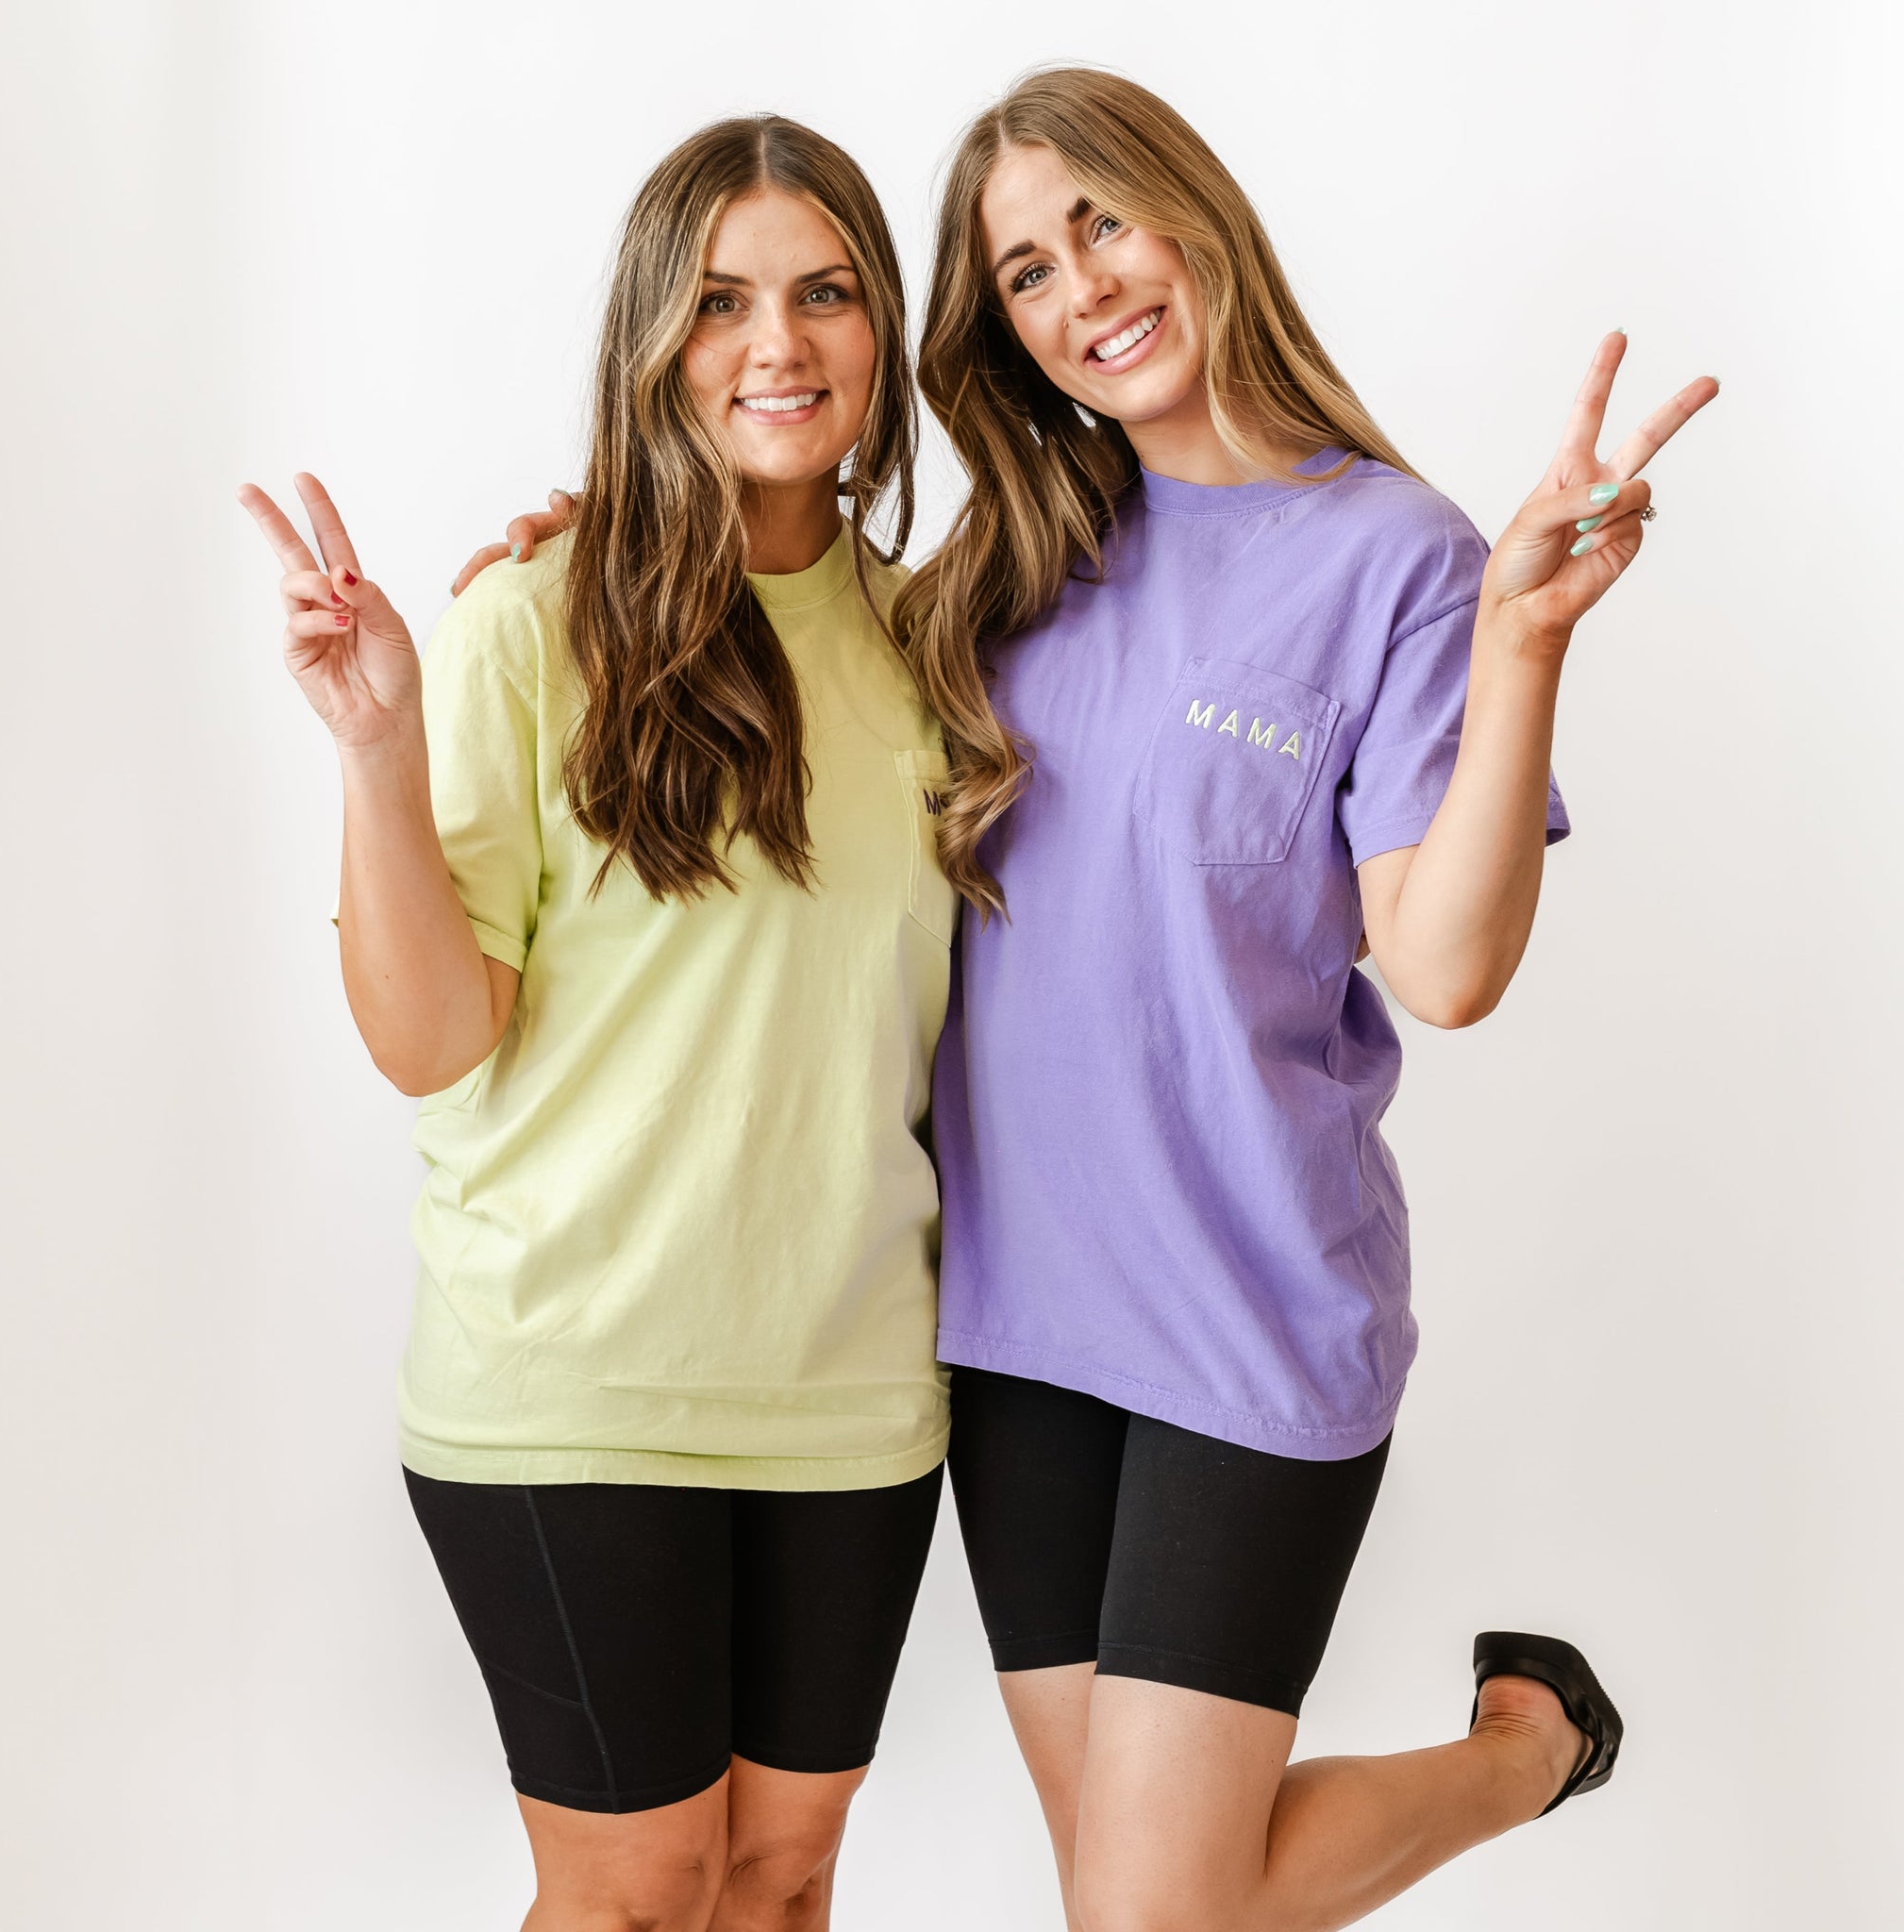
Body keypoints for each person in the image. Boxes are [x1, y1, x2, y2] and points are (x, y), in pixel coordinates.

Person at [474, 67, 1717, 1930]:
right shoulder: (994, 573)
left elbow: (1448, 965)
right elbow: (784, 619)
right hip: (1012, 1339)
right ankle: (1530, 1738)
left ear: (1196, 218)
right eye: (1027, 272)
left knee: (1153, 1915)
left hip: (1251, 1318)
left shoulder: (1399, 557)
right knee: (1146, 1901)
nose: (1084, 289)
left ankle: (1521, 1753)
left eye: (1104, 224)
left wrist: (1523, 644)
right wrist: (614, 524)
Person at [239, 115, 956, 1932]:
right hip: (570, 1382)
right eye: (719, 302)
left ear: (884, 330)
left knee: (780, 1881)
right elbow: (429, 1041)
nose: (776, 344)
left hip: (853, 1389)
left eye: (825, 293)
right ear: (651, 333)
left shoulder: (945, 646)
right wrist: (379, 749)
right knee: (641, 1891)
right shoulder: (529, 624)